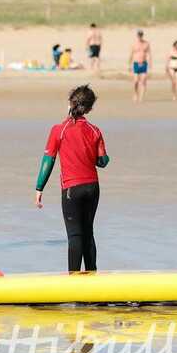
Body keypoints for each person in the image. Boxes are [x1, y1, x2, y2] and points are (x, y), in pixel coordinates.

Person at [35, 85, 109, 273]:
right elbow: (102, 161)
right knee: (88, 233)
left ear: (70, 104)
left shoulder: (58, 130)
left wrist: (39, 188)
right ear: (90, 108)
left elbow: (48, 160)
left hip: (71, 190)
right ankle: (92, 276)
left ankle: (74, 281)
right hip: (93, 188)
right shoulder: (95, 130)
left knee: (75, 235)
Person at [129, 29, 152, 102]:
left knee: (143, 80)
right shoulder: (134, 44)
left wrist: (150, 63)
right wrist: (129, 65)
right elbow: (131, 54)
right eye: (139, 35)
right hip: (136, 63)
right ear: (137, 35)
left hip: (144, 63)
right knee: (135, 81)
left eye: (141, 35)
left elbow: (149, 54)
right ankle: (135, 94)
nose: (140, 36)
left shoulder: (146, 44)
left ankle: (141, 96)